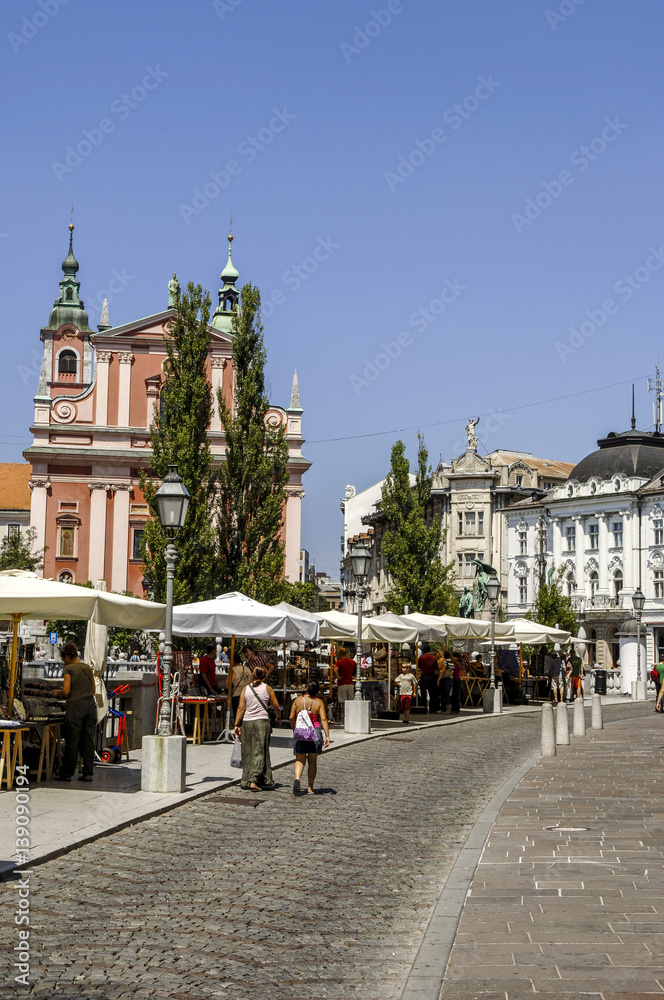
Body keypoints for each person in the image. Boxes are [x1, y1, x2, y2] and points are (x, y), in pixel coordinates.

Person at [53, 641, 97, 782]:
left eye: (63, 659)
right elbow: (93, 690)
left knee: (73, 740)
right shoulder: (87, 668)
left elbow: (66, 691)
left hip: (76, 706)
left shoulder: (69, 669)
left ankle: (66, 773)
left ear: (67, 657)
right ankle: (88, 772)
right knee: (88, 740)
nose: (63, 662)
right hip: (90, 706)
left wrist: (57, 692)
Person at [233, 665, 282, 791]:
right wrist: (278, 717)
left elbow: (241, 708)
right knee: (260, 751)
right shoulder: (268, 689)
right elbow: (276, 706)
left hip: (247, 723)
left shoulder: (246, 689)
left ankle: (246, 779)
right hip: (262, 722)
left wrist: (236, 724)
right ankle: (254, 780)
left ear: (253, 675)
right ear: (265, 676)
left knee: (248, 751)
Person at [289, 680, 330, 795]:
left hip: (300, 732)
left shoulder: (297, 700)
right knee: (312, 761)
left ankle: (297, 778)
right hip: (315, 732)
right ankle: (310, 787)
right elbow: (323, 719)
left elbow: (291, 717)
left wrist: (294, 729)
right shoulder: (318, 702)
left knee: (299, 759)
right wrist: (327, 735)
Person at [227, 652, 252, 720]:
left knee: (238, 718)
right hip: (248, 695)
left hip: (237, 696)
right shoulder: (247, 668)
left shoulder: (233, 670)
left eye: (229, 660)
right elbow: (251, 681)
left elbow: (228, 684)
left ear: (233, 660)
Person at [418, 648, 440, 713]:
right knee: (432, 694)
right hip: (432, 677)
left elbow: (419, 666)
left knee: (423, 693)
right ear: (429, 651)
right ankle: (432, 708)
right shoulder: (433, 658)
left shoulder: (421, 657)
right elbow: (436, 668)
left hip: (423, 677)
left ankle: (424, 708)